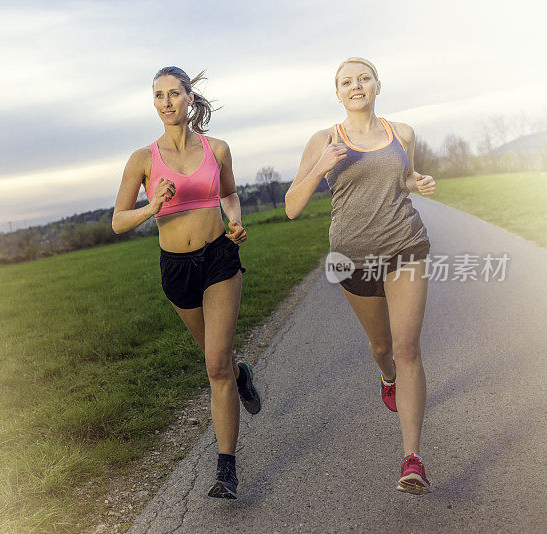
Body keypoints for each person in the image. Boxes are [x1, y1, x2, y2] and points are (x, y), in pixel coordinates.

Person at [284, 57, 437, 494]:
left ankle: (412, 458)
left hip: (405, 244)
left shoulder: (401, 133)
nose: (356, 86)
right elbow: (292, 208)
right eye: (347, 81)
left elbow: (402, 178)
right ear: (338, 93)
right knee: (383, 345)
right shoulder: (323, 139)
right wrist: (320, 165)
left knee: (407, 346)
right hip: (353, 259)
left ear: (377, 85)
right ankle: (385, 375)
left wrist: (416, 181)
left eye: (364, 78)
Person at [112, 66, 262, 499]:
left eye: (173, 93)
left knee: (214, 364)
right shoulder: (142, 159)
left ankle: (226, 470)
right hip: (176, 268)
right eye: (158, 95)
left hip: (219, 258)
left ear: (189, 98)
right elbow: (119, 221)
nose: (166, 102)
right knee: (221, 363)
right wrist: (151, 206)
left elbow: (230, 194)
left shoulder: (217, 149)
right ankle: (242, 375)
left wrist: (234, 220)